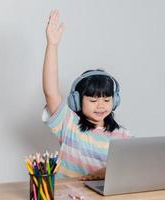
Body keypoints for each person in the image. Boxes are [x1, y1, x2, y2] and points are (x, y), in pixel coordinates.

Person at [42, 10, 131, 181]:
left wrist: (105, 172)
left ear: (115, 100)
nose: (101, 105)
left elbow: (134, 166)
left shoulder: (123, 136)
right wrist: (52, 45)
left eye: (106, 99)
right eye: (92, 100)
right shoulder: (68, 124)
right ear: (76, 101)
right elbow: (50, 92)